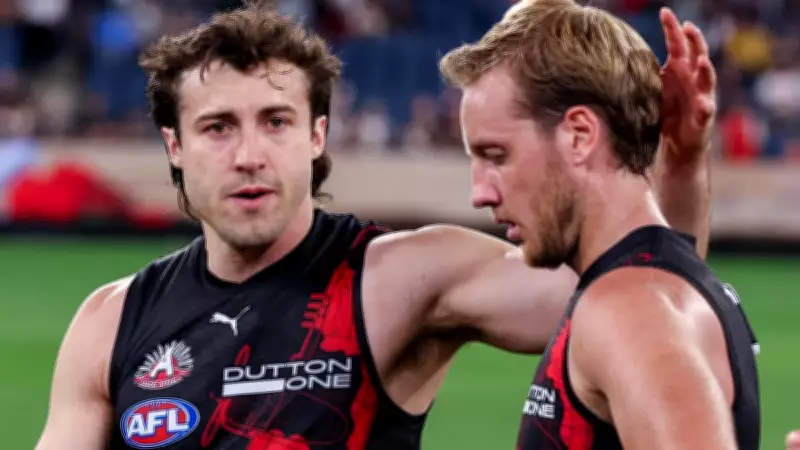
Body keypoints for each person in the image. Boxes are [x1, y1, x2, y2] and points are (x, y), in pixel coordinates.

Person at [35, 2, 718, 449]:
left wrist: (681, 167)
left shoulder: (398, 278)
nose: (249, 155)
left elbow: (644, 291)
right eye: (217, 128)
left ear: (316, 135)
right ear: (175, 146)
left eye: (276, 122)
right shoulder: (111, 323)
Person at [440, 1, 759, 449]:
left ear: (580, 135)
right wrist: (683, 161)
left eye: (497, 156)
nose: (481, 193)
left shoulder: (629, 309)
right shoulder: (653, 284)